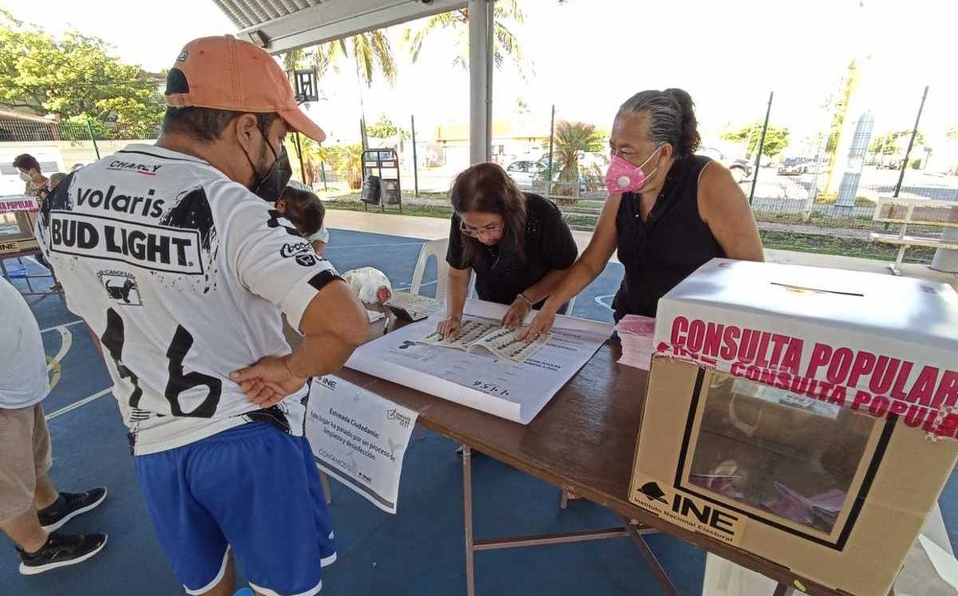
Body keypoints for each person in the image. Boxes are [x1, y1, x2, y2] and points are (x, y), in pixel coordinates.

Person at [34, 36, 368, 596]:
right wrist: (292, 369)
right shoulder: (234, 209)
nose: (276, 155)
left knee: (205, 583)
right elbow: (345, 323)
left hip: (150, 437)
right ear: (244, 128)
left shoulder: (65, 197)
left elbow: (92, 318)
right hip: (249, 434)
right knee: (284, 585)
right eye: (279, 136)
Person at [521, 89, 764, 340]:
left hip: (693, 338)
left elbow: (750, 270)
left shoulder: (709, 181)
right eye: (613, 148)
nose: (616, 160)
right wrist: (550, 307)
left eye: (627, 151)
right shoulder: (624, 186)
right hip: (631, 325)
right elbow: (592, 262)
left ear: (663, 152)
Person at [0, 276, 108, 575]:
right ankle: (37, 548)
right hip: (4, 393)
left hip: (15, 384)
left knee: (31, 453)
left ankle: (50, 506)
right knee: (6, 481)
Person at [437, 162, 578, 339]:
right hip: (492, 306)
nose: (483, 237)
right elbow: (458, 273)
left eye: (491, 226)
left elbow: (566, 268)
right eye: (472, 228)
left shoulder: (542, 214)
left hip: (543, 306)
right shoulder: (461, 220)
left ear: (510, 210)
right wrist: (454, 316)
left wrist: (526, 300)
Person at [278, 183, 327, 255]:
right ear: (281, 206)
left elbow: (318, 239)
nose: (296, 234)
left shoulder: (306, 196)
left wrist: (314, 261)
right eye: (294, 231)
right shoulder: (260, 202)